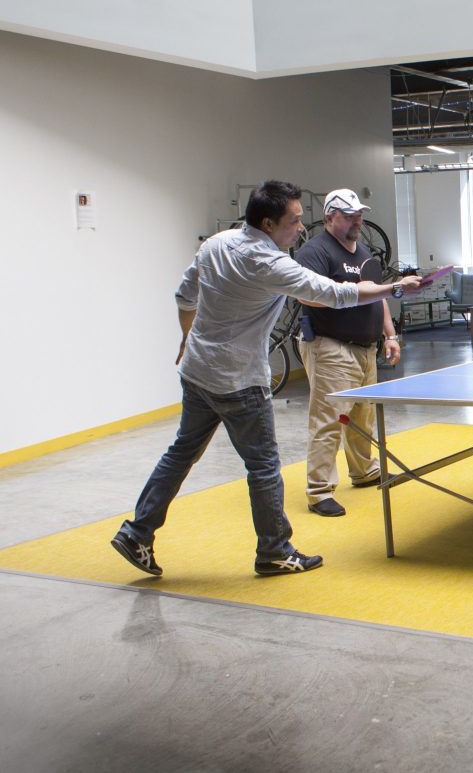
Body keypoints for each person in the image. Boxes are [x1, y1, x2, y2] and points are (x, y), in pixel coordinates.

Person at [111, 180, 423, 577]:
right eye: (294, 221)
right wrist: (396, 288)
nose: (301, 228)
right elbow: (334, 294)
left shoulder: (216, 244)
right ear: (268, 223)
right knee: (263, 465)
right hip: (239, 380)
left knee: (181, 453)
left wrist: (187, 337)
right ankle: (274, 550)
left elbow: (185, 296)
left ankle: (137, 532)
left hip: (198, 371)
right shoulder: (270, 264)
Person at [293, 188, 404, 517]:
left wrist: (390, 335)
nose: (357, 221)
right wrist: (351, 292)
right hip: (330, 346)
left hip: (365, 348)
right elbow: (306, 295)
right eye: (349, 215)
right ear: (329, 217)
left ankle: (364, 471)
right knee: (328, 420)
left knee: (362, 416)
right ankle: (319, 490)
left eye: (359, 215)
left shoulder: (363, 252)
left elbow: (378, 296)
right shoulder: (315, 252)